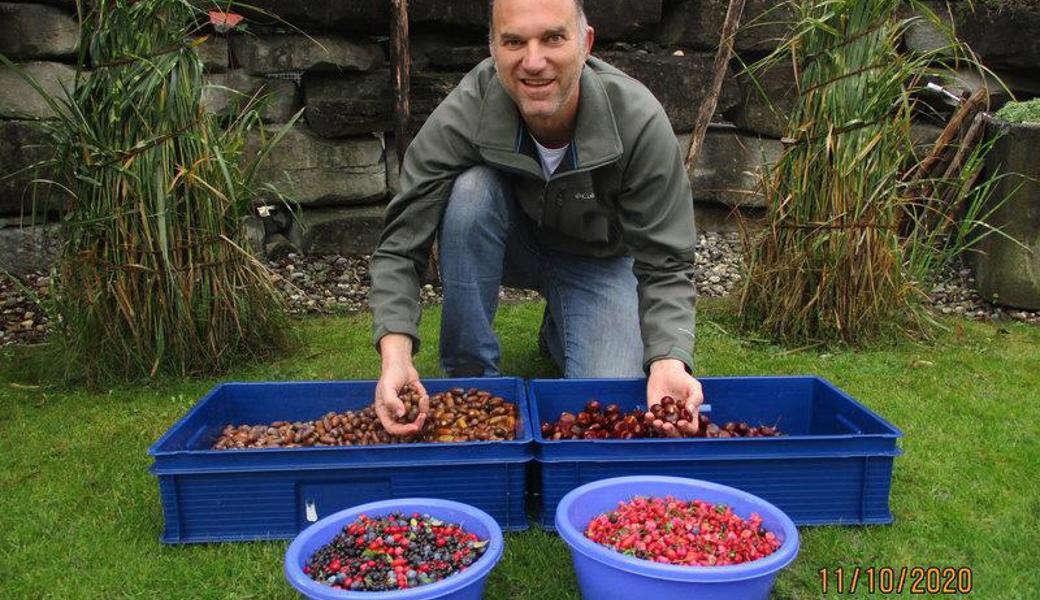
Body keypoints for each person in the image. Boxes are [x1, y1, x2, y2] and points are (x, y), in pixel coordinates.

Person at [368, 0, 703, 436]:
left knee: (609, 391)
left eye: (552, 38)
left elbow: (667, 263)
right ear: (492, 48)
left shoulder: (638, 120)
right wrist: (395, 358)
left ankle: (561, 326)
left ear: (586, 43)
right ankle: (471, 377)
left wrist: (668, 360)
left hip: (598, 260)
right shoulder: (466, 111)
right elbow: (399, 245)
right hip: (509, 245)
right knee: (470, 194)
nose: (533, 61)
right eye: (513, 42)